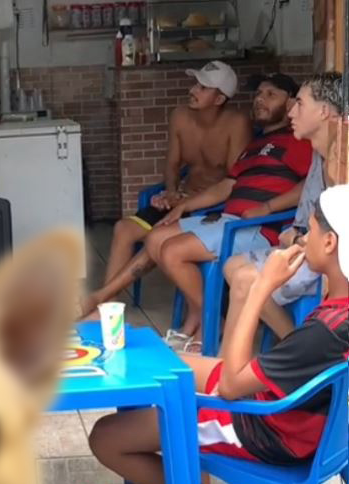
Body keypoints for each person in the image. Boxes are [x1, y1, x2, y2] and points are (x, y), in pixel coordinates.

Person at [89, 187, 349, 484]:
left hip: (266, 429)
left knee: (106, 437)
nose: (300, 238)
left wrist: (260, 288)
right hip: (300, 419)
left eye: (307, 231)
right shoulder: (337, 317)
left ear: (330, 243)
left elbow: (229, 386)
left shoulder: (324, 332)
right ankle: (190, 480)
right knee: (163, 362)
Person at [145, 74, 312, 348]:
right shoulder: (255, 145)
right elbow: (227, 186)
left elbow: (309, 184)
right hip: (228, 221)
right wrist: (184, 205)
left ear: (291, 102)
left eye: (271, 95)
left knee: (172, 251)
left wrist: (267, 207)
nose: (260, 99)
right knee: (155, 238)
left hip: (257, 228)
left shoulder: (297, 141)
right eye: (259, 94)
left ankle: (208, 324)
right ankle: (206, 318)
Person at [81, 61, 252, 316]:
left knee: (160, 238)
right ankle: (108, 308)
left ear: (219, 99)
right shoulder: (180, 116)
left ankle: (103, 298)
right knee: (123, 229)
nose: (193, 90)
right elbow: (172, 164)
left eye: (203, 87)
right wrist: (171, 192)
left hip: (211, 208)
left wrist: (189, 201)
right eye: (195, 84)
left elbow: (233, 180)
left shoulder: (237, 124)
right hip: (180, 199)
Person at [222, 73, 343, 340]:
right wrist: (296, 235)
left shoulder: (341, 163)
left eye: (300, 103)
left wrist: (298, 239)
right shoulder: (319, 153)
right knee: (232, 266)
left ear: (324, 111)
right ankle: (293, 345)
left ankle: (298, 350)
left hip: (327, 260)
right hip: (306, 244)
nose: (291, 112)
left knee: (245, 279)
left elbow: (335, 243)